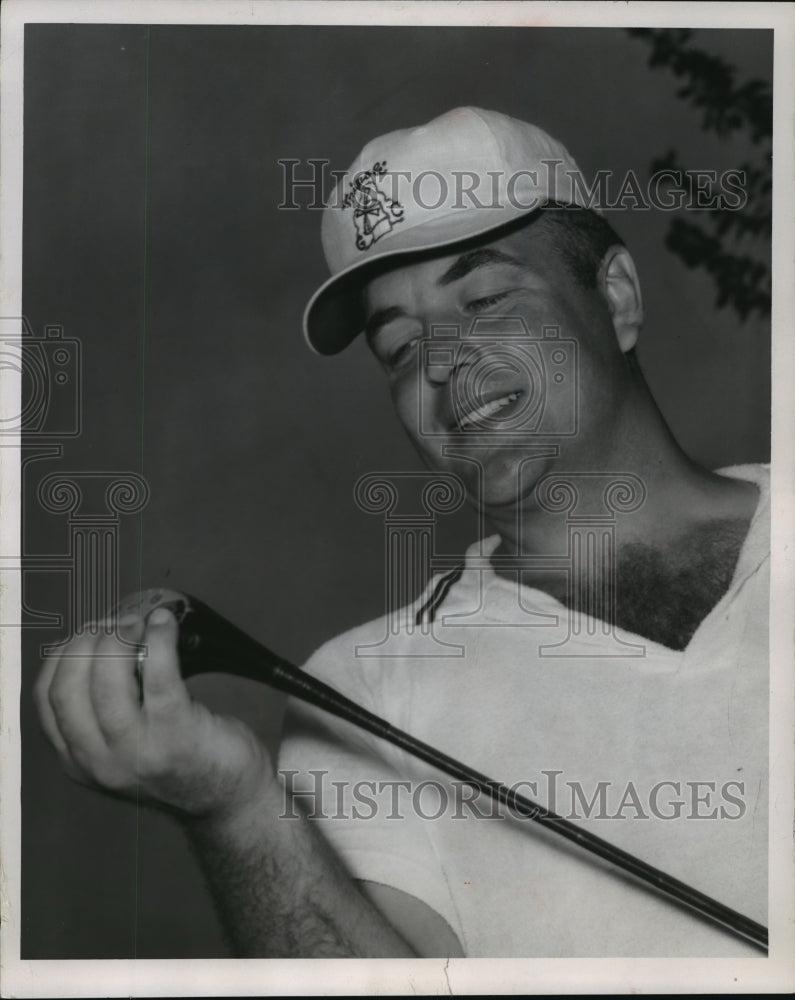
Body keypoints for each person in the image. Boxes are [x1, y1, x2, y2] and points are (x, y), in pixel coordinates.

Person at [34, 107, 769, 958]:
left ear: (616, 299)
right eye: (398, 346)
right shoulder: (362, 695)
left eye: (486, 299)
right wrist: (235, 808)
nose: (444, 362)